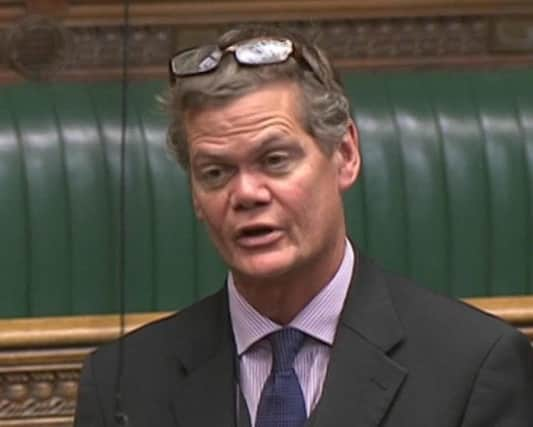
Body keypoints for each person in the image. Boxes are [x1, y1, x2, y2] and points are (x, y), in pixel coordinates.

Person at [74, 25, 533, 427]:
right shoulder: (122, 382)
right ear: (195, 194)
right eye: (215, 172)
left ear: (346, 155)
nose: (246, 193)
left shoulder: (474, 366)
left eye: (274, 160)